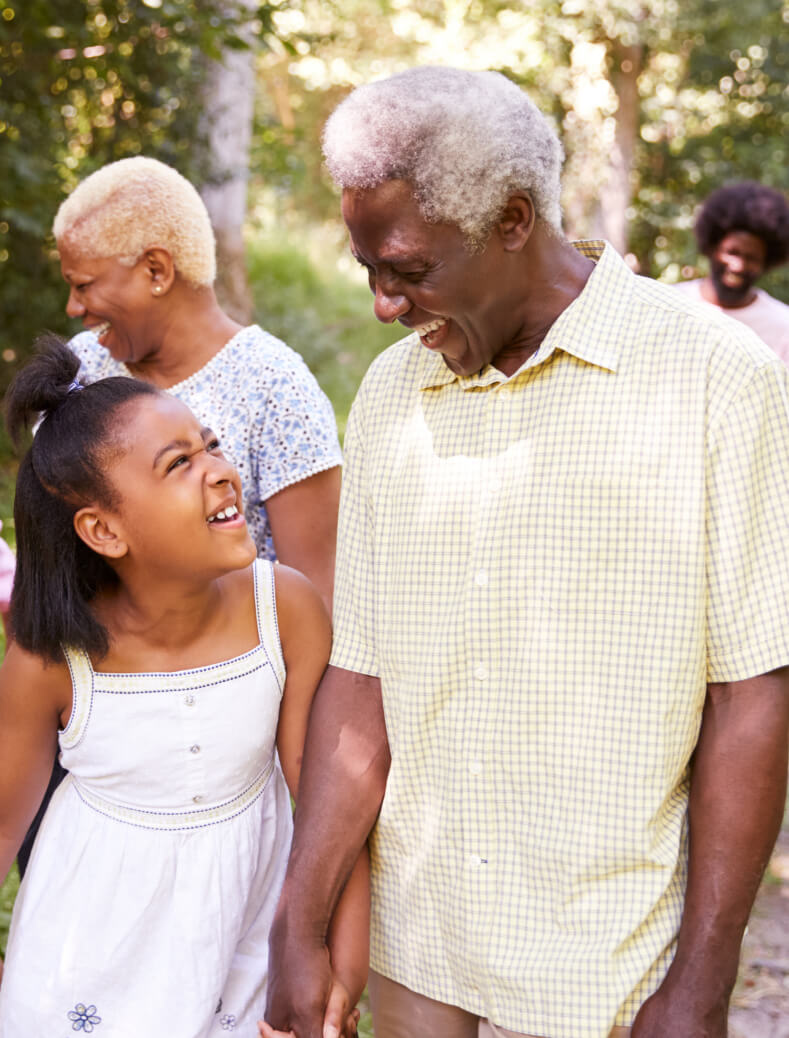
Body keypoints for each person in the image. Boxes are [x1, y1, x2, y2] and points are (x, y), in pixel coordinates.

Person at [261, 67, 789, 1038]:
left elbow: (750, 698)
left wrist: (703, 987)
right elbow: (361, 680)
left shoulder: (724, 384)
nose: (383, 303)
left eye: (409, 270)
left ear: (511, 221)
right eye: (367, 268)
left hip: (616, 969)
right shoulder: (389, 398)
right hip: (422, 947)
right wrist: (297, 921)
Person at [0, 338, 367, 1037]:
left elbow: (327, 805)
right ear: (103, 529)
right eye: (179, 465)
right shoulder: (51, 660)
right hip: (80, 975)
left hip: (241, 957)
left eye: (210, 446)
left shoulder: (283, 608)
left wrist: (339, 974)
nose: (220, 472)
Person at [53, 155, 341, 612]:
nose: (73, 307)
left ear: (156, 271)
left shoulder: (275, 385)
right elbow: (50, 556)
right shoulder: (80, 369)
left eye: (84, 285)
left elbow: (317, 594)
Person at [675, 181, 789, 364]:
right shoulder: (673, 303)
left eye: (751, 258)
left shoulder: (783, 326)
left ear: (765, 263)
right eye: (732, 252)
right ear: (712, 248)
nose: (738, 266)